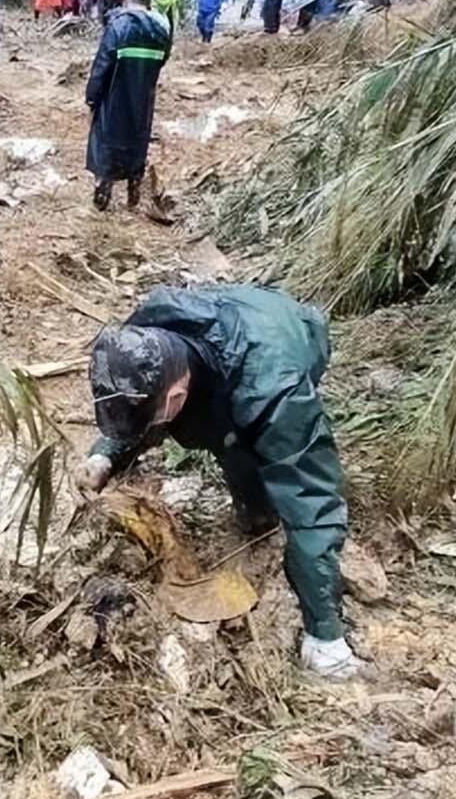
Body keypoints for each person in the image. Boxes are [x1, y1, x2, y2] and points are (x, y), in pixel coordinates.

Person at [77, 284, 357, 679]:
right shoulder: (142, 339)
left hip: (293, 335)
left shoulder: (277, 392)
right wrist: (105, 455)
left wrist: (324, 634)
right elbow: (133, 406)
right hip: (224, 347)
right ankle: (257, 513)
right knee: (228, 438)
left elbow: (312, 503)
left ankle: (266, 518)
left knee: (266, 458)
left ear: (175, 398)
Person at [85, 0, 171, 212]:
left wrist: (92, 97)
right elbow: (161, 62)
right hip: (143, 100)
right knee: (138, 142)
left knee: (106, 145)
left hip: (114, 100)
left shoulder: (119, 27)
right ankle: (133, 194)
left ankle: (102, 197)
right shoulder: (161, 32)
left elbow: (102, 66)